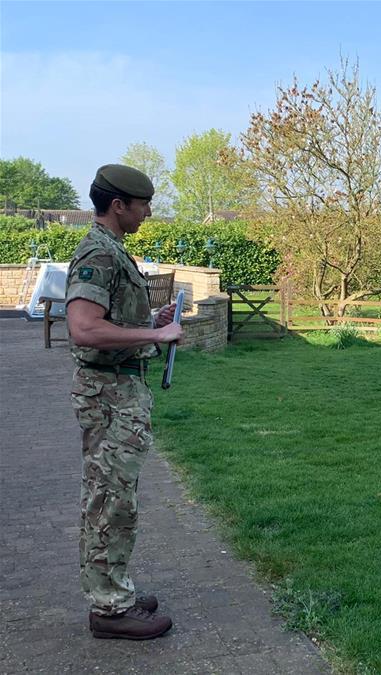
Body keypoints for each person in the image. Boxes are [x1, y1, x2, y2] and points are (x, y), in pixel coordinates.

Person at [66, 164, 182, 640]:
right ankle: (110, 609)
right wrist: (155, 332)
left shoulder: (112, 251)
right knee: (110, 501)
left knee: (116, 497)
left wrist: (151, 318)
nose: (148, 212)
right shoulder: (98, 251)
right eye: (142, 204)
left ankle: (115, 588)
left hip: (120, 390)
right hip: (109, 394)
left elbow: (110, 320)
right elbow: (84, 328)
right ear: (119, 205)